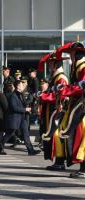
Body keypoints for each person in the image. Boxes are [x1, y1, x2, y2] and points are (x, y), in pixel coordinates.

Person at [56, 42, 85, 178]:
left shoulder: (83, 67)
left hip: (82, 105)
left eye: (72, 53)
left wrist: (65, 89)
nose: (71, 56)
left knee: (81, 135)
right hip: (78, 105)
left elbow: (80, 88)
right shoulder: (77, 67)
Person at [38, 52, 69, 171]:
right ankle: (58, 161)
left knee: (57, 135)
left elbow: (59, 95)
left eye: (51, 63)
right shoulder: (55, 77)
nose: (50, 65)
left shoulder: (61, 78)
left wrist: (43, 97)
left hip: (58, 111)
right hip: (53, 110)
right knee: (54, 136)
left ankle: (60, 162)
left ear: (56, 64)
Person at [0, 80, 41, 156]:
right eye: (21, 85)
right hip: (15, 118)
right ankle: (0, 147)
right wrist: (25, 109)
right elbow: (14, 108)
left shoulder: (21, 94)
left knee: (26, 133)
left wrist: (30, 107)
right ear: (18, 86)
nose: (23, 86)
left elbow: (24, 104)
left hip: (22, 118)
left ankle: (30, 150)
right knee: (9, 133)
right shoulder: (13, 96)